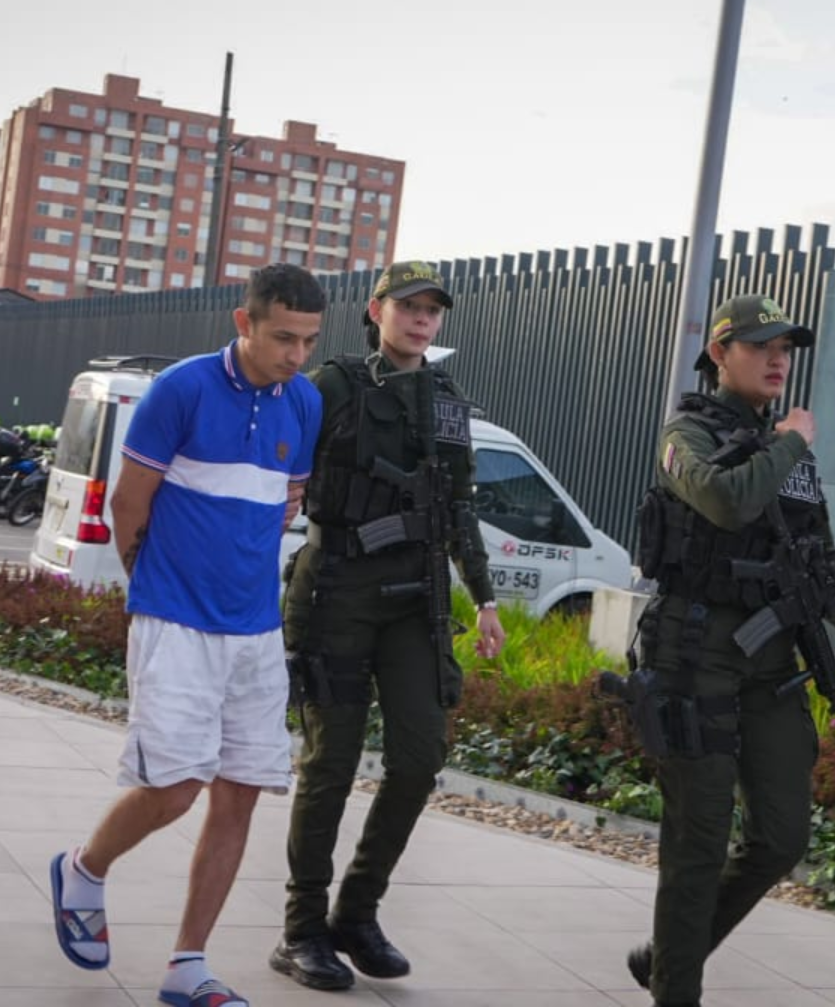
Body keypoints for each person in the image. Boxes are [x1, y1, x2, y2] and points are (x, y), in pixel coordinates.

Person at [48, 263, 325, 1007]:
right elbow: (130, 507)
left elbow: (281, 507)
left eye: (308, 341)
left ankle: (186, 966)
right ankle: (84, 868)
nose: (296, 356)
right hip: (174, 618)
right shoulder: (182, 389)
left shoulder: (305, 402)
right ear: (245, 322)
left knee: (238, 797)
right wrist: (156, 587)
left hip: (255, 631)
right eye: (282, 338)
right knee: (172, 788)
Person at [270, 260, 507, 992]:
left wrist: (486, 597)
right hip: (336, 589)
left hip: (414, 601)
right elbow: (278, 466)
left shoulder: (447, 400)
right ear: (377, 310)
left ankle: (357, 913)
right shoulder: (333, 385)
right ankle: (303, 928)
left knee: (418, 755)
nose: (421, 319)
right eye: (409, 306)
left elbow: (461, 504)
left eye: (433, 310)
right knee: (330, 766)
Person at [622, 295, 835, 1007]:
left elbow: (820, 556)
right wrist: (789, 441)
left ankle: (669, 954)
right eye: (761, 346)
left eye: (786, 347)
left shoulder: (789, 450)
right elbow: (725, 501)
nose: (778, 358)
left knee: (782, 836)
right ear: (721, 353)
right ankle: (676, 990)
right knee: (696, 842)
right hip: (696, 653)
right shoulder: (686, 433)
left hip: (771, 661)